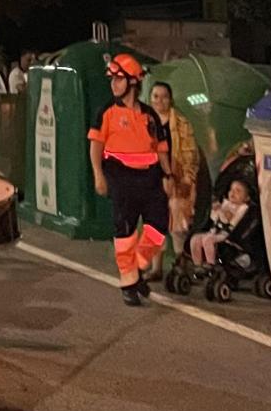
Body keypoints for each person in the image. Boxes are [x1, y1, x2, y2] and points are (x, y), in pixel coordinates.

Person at [90, 54, 172, 306]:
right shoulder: (107, 112)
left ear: (133, 82)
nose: (114, 84)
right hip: (120, 175)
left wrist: (168, 175)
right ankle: (128, 282)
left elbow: (161, 147)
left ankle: (134, 272)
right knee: (124, 230)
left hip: (150, 176)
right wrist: (98, 176)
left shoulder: (150, 115)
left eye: (119, 79)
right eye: (112, 79)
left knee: (158, 228)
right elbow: (95, 145)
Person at [150, 80, 200, 265]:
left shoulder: (182, 123)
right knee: (154, 223)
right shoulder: (144, 121)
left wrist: (187, 177)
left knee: (178, 222)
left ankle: (181, 263)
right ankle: (156, 268)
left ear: (170, 99)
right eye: (155, 96)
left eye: (164, 97)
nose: (159, 101)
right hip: (151, 178)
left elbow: (190, 153)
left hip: (177, 178)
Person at [190, 179, 252, 272]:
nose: (233, 193)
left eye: (238, 191)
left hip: (226, 234)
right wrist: (215, 210)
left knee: (208, 240)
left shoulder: (241, 208)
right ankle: (198, 265)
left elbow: (229, 219)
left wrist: (223, 212)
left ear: (246, 198)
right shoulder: (226, 203)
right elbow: (215, 217)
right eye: (231, 190)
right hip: (215, 230)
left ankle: (210, 264)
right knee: (195, 239)